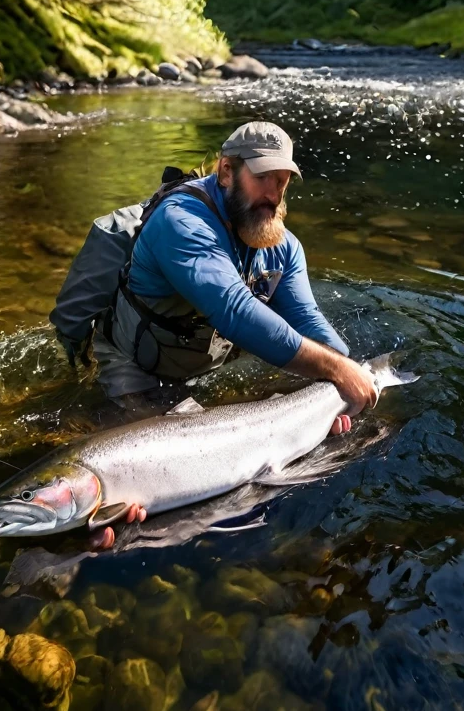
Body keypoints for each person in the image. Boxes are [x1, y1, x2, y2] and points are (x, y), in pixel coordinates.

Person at [88, 120, 378, 544]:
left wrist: (343, 376)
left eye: (282, 182)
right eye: (263, 178)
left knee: (266, 468)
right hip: (136, 364)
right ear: (227, 171)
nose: (274, 195)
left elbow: (306, 318)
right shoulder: (181, 222)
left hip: (201, 363)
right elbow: (235, 312)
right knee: (143, 503)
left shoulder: (282, 243)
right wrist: (337, 372)